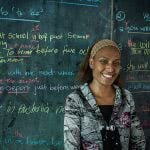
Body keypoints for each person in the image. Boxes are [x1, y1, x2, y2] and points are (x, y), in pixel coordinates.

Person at [64, 39, 146, 150]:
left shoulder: (126, 97)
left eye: (116, 63)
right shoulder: (75, 100)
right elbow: (71, 146)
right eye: (103, 61)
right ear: (92, 63)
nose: (111, 68)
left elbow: (138, 142)